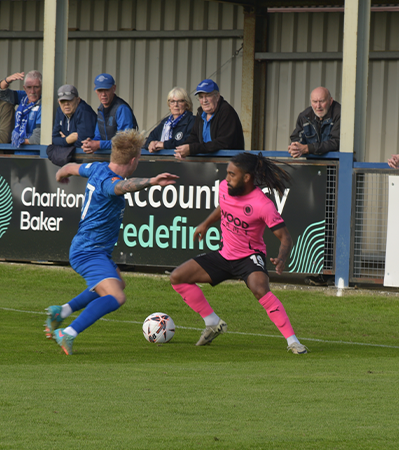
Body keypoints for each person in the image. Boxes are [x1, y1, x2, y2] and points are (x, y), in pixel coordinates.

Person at [43, 129, 178, 355]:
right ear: (134, 160)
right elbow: (122, 187)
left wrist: (61, 174)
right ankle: (68, 332)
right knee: (116, 296)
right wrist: (152, 181)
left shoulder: (96, 167)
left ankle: (61, 311)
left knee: (118, 284)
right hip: (88, 252)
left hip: (94, 249)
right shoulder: (110, 182)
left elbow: (69, 167)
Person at [169, 152, 308, 354]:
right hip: (225, 254)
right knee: (177, 277)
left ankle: (293, 341)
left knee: (260, 289)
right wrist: (206, 223)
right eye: (227, 173)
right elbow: (223, 207)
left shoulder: (263, 205)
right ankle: (213, 322)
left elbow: (285, 237)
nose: (227, 178)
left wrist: (281, 258)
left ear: (247, 177)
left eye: (232, 174)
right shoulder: (224, 188)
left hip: (249, 257)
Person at [174, 79, 245, 159]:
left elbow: (223, 143)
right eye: (201, 97)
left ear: (217, 96)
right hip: (207, 163)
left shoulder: (226, 111)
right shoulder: (201, 113)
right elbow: (194, 137)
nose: (204, 100)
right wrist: (183, 148)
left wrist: (192, 149)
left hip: (227, 163)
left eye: (208, 95)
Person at [81, 73, 138, 154]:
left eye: (107, 90)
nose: (103, 94)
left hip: (124, 156)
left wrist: (99, 144)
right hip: (108, 155)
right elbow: (98, 136)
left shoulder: (122, 108)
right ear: (95, 90)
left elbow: (124, 141)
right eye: (100, 90)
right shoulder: (101, 108)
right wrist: (90, 143)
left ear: (114, 88)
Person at [0, 70, 42, 154]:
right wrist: (7, 80)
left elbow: (37, 138)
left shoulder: (44, 105)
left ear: (42, 87)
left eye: (36, 87)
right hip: (18, 154)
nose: (32, 91)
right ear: (24, 88)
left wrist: (18, 140)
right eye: (29, 87)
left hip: (35, 156)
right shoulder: (23, 97)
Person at [288, 86, 341, 157]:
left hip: (337, 163)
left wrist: (308, 148)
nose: (318, 106)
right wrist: (295, 147)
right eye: (315, 102)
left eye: (322, 101)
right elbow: (296, 137)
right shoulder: (304, 116)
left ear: (330, 101)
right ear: (311, 102)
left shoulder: (340, 114)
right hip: (313, 163)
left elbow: (336, 142)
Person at [144, 87, 195, 153]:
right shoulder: (165, 122)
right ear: (169, 105)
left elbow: (189, 142)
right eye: (172, 101)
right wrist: (151, 143)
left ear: (187, 104)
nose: (176, 105)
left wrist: (164, 145)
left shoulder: (192, 121)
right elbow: (151, 137)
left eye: (180, 101)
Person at [51, 84, 96, 153]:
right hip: (70, 155)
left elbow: (83, 142)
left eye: (70, 100)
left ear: (78, 100)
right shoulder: (60, 111)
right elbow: (54, 138)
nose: (66, 104)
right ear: (59, 102)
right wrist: (67, 140)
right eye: (63, 101)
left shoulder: (84, 111)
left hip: (88, 154)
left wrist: (63, 141)